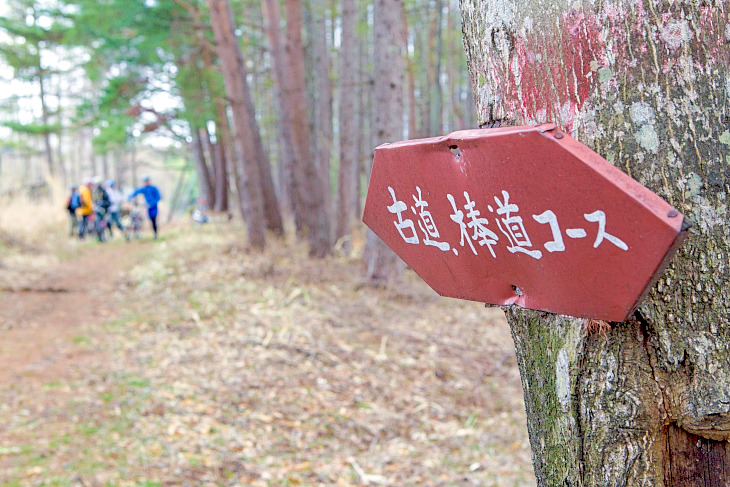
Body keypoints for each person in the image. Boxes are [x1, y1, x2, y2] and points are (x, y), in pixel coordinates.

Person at [128, 174, 162, 239]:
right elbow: (137, 191)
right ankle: (152, 234)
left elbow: (158, 197)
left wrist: (152, 203)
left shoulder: (153, 188)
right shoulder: (144, 189)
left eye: (146, 181)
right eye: (144, 181)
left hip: (154, 207)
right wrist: (130, 196)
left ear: (149, 181)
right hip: (148, 207)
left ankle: (155, 234)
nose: (146, 182)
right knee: (149, 220)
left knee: (153, 220)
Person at [92, 177, 111, 242]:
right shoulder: (94, 191)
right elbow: (93, 201)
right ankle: (99, 237)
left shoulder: (103, 191)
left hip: (103, 211)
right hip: (97, 211)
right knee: (97, 224)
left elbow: (108, 202)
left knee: (102, 224)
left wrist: (103, 206)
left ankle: (103, 236)